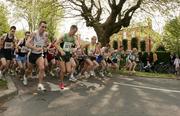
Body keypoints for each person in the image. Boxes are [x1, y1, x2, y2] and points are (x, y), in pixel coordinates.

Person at [25, 21, 49, 91]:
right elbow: (27, 44)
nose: (44, 28)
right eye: (42, 26)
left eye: (45, 27)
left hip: (39, 55)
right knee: (29, 70)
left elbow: (45, 44)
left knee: (42, 68)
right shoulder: (34, 33)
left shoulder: (46, 35)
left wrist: (44, 47)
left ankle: (40, 84)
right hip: (32, 54)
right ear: (39, 26)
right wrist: (35, 48)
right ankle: (25, 76)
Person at [55, 25, 79, 89]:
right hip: (61, 54)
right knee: (63, 70)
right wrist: (61, 50)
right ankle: (61, 83)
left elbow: (78, 45)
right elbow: (56, 44)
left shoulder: (74, 38)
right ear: (71, 29)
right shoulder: (64, 36)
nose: (74, 33)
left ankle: (59, 70)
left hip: (68, 55)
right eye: (73, 32)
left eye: (75, 32)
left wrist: (76, 48)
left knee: (68, 70)